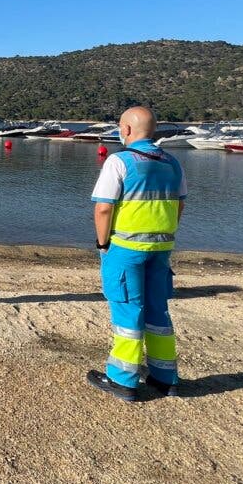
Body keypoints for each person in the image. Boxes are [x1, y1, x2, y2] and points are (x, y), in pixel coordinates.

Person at [88, 106, 187, 402]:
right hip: (161, 248)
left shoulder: (119, 161)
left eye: (120, 128)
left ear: (126, 130)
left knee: (128, 310)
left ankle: (122, 379)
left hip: (126, 248)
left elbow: (104, 207)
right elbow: (180, 205)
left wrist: (102, 244)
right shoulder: (172, 162)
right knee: (158, 310)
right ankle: (164, 376)